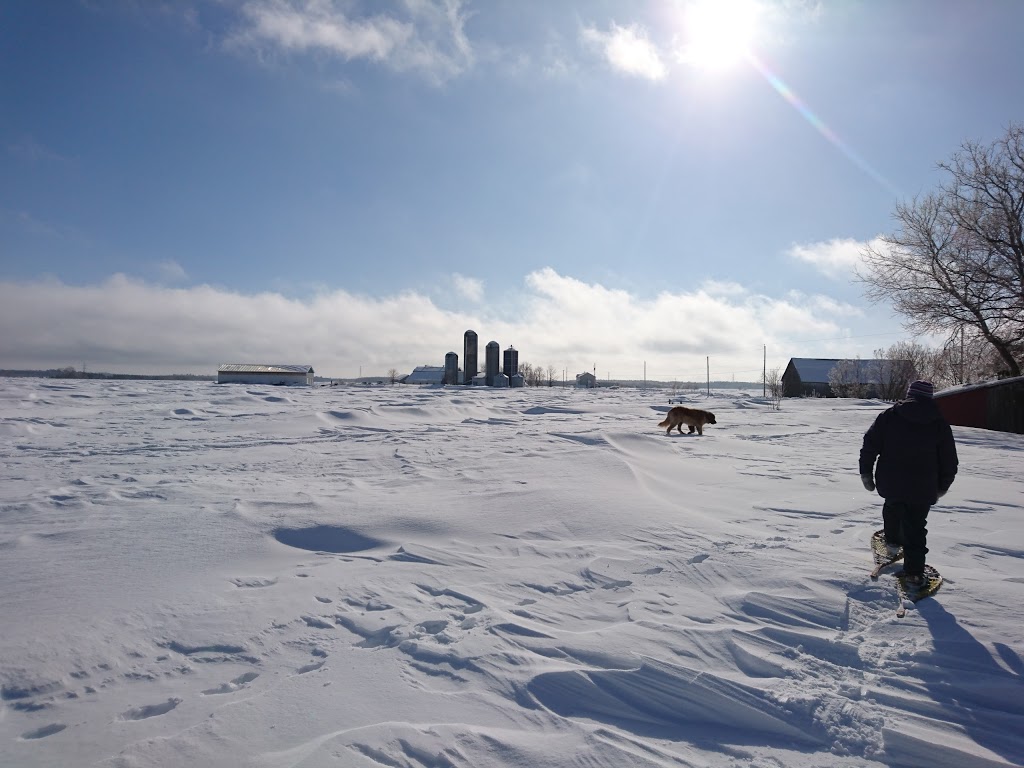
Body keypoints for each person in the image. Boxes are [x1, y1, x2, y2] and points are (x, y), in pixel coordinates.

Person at [859, 380, 958, 586]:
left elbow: (869, 446)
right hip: (923, 487)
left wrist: (866, 474)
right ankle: (914, 573)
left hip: (891, 481)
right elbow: (949, 460)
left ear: (908, 395)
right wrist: (942, 486)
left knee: (892, 508)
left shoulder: (889, 417)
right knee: (915, 527)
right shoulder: (939, 423)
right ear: (930, 398)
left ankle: (893, 542)